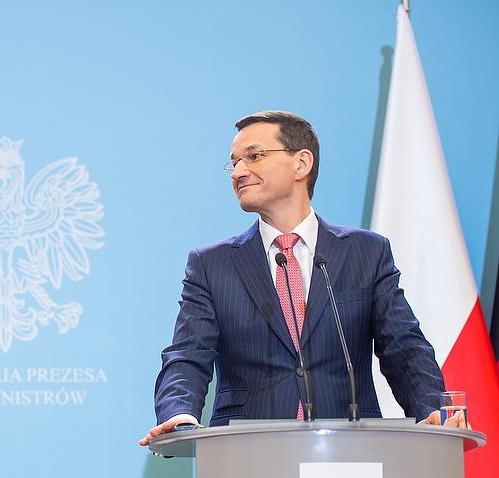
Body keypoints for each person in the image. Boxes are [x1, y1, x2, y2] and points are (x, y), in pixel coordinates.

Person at [140, 111, 449, 446]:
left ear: (302, 163)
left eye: (254, 156)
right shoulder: (211, 264)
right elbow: (188, 355)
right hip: (246, 453)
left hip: (351, 450)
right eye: (235, 163)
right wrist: (179, 414)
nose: (239, 172)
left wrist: (432, 410)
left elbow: (403, 347)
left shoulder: (366, 252)